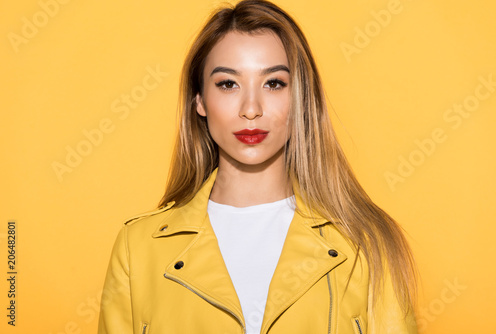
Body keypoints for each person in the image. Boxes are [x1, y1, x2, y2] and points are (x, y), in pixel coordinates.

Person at [97, 0, 419, 333]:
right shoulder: (137, 248)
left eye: (273, 83)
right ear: (200, 101)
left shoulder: (367, 243)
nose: (251, 109)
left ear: (300, 98)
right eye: (228, 84)